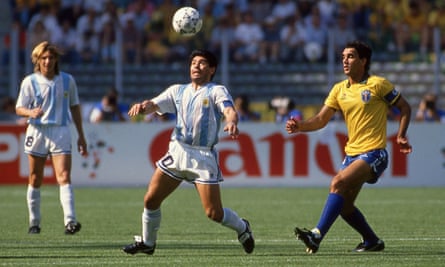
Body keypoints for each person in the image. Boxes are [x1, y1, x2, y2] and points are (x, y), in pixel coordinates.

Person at [122, 49, 254, 255]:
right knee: (150, 200)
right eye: (193, 62)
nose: (196, 66)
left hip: (202, 157)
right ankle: (148, 243)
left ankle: (242, 227)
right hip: (178, 152)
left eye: (202, 63)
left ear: (212, 70)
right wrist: (143, 106)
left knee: (213, 213)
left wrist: (232, 122)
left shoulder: (216, 90)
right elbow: (155, 104)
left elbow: (229, 110)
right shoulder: (177, 91)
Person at [286, 41, 412, 253]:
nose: (345, 60)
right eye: (343, 56)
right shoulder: (338, 89)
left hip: (374, 153)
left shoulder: (378, 84)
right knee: (344, 206)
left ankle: (316, 235)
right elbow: (320, 119)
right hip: (351, 154)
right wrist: (300, 126)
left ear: (363, 61)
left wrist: (401, 135)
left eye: (351, 56)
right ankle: (372, 241)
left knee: (337, 183)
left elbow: (404, 107)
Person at [15, 41, 88, 235]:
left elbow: (74, 107)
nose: (48, 61)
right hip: (37, 131)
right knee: (35, 178)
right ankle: (34, 222)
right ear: (37, 60)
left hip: (60, 130)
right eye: (44, 58)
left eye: (51, 58)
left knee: (63, 176)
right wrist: (30, 112)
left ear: (56, 60)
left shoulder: (67, 80)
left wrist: (81, 135)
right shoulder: (29, 81)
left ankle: (70, 221)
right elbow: (19, 108)